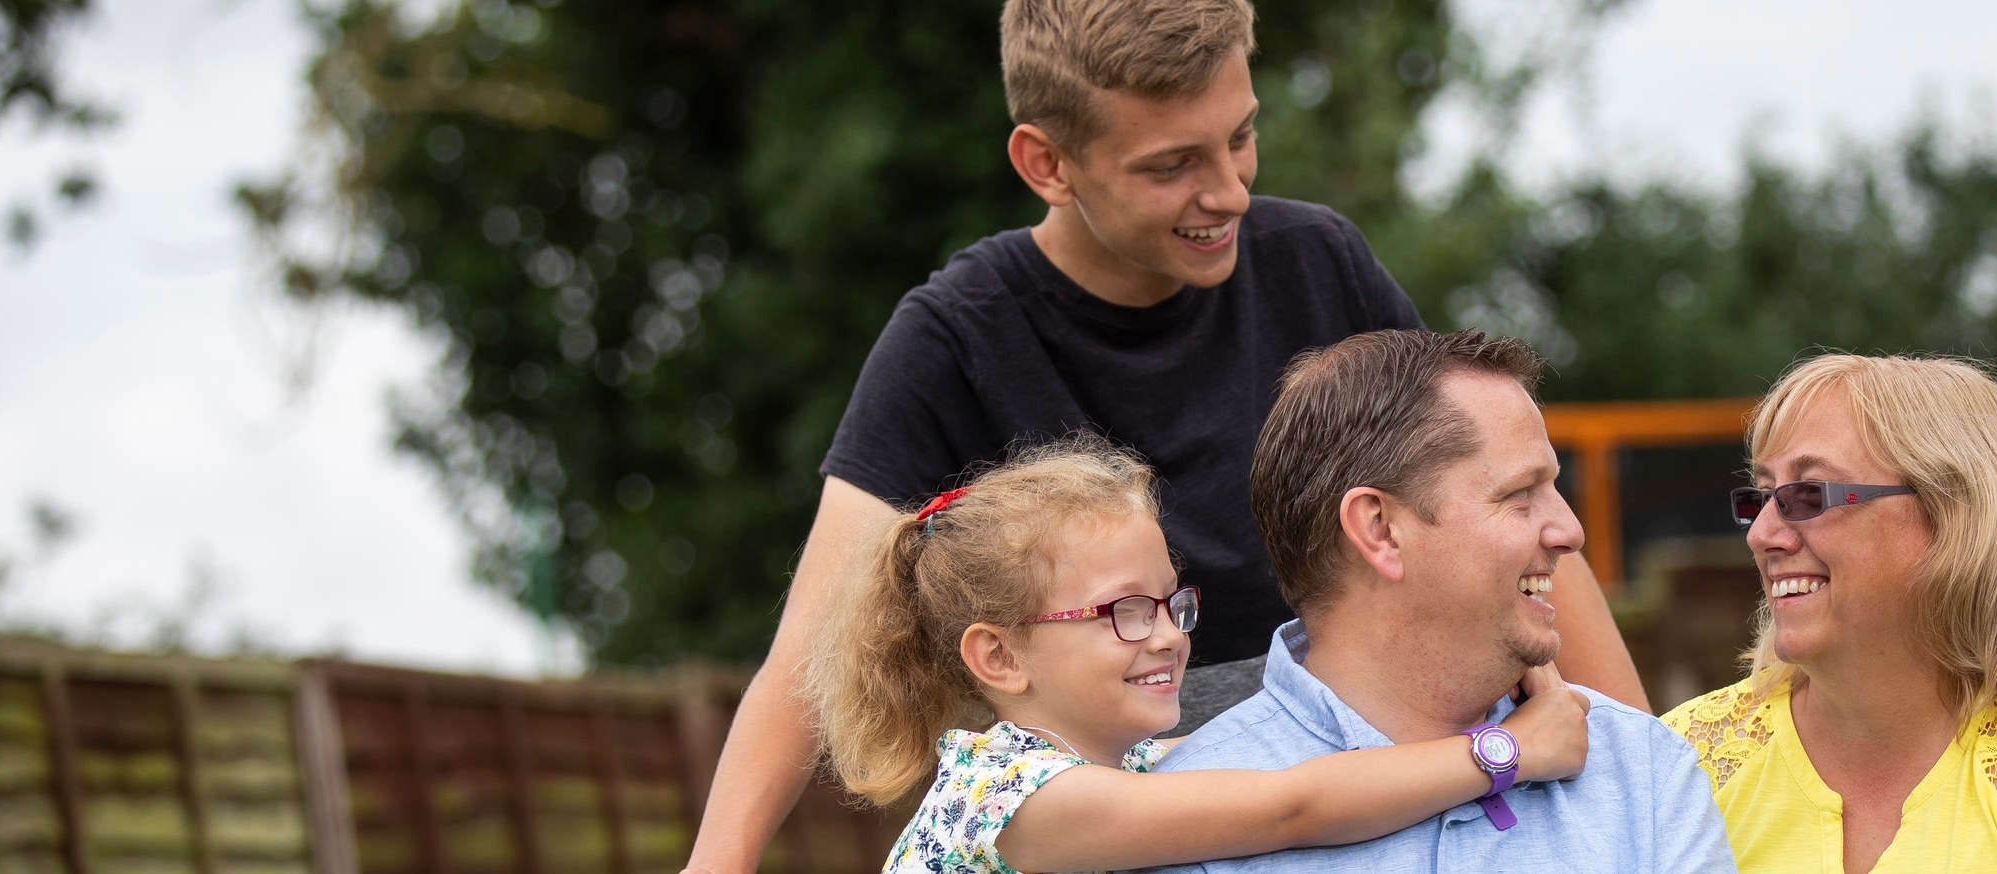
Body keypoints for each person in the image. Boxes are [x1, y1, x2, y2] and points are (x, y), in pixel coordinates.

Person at [681, 2, 1646, 871]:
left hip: (1345, 739)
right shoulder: (957, 336)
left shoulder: (1318, 266)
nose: (1227, 190)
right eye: (1172, 165)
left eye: (1242, 137)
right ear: (1046, 163)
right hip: (1154, 778)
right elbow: (808, 652)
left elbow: (1508, 513)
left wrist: (1644, 762)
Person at [805, 438, 1592, 873]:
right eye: (1126, 612)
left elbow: (1304, 756)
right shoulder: (1020, 801)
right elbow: (1293, 804)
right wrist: (1508, 750)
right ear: (1000, 658)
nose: (1170, 635)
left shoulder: (1126, 766)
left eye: (1171, 602)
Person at [1145, 330, 1736, 873]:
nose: (1570, 531)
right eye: (1520, 494)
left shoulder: (1643, 771)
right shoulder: (1174, 827)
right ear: (1379, 530)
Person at [1659, 354, 1997, 873]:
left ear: (1956, 519)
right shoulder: (1684, 757)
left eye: (1808, 494)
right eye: (1761, 497)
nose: (1760, 536)